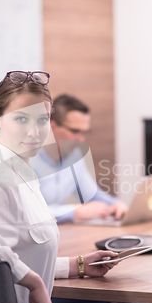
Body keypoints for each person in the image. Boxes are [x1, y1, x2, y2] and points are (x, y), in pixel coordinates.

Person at [0, 71, 117, 303]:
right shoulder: (0, 176)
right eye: (22, 119)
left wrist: (77, 265)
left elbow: (17, 252)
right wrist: (33, 282)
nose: (35, 131)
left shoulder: (20, 169)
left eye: (42, 119)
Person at [30, 94, 128, 223]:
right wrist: (74, 212)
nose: (81, 140)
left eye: (85, 133)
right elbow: (27, 214)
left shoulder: (74, 156)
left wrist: (116, 204)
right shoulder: (27, 160)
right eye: (75, 131)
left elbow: (92, 195)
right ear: (51, 127)